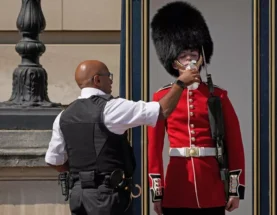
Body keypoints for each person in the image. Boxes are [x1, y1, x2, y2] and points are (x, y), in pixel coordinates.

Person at [44, 59, 200, 215]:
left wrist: (82, 175)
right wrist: (180, 84)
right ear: (97, 80)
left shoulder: (63, 116)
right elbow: (162, 111)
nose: (111, 80)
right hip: (107, 197)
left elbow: (54, 160)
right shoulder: (111, 108)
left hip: (79, 198)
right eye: (108, 76)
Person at [147, 2, 246, 215]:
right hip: (178, 184)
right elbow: (154, 147)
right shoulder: (162, 97)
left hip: (211, 184)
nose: (190, 59)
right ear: (175, 63)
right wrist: (157, 191)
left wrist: (234, 189)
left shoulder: (218, 95)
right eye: (184, 55)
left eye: (193, 54)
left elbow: (235, 144)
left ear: (201, 58)